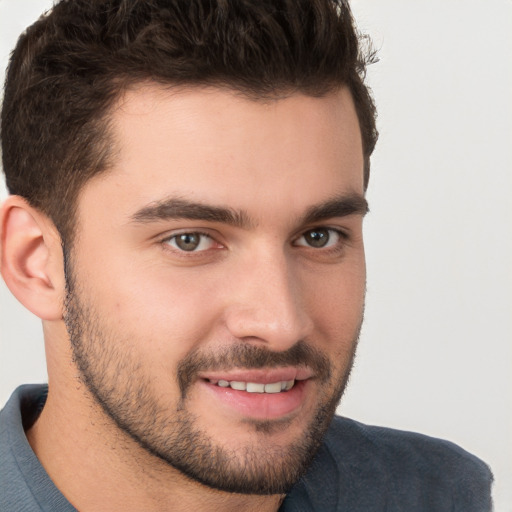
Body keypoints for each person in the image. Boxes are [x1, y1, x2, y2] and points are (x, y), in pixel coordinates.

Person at [0, 1, 493, 510]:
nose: (282, 323)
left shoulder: (432, 493)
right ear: (36, 262)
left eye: (319, 236)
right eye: (189, 240)